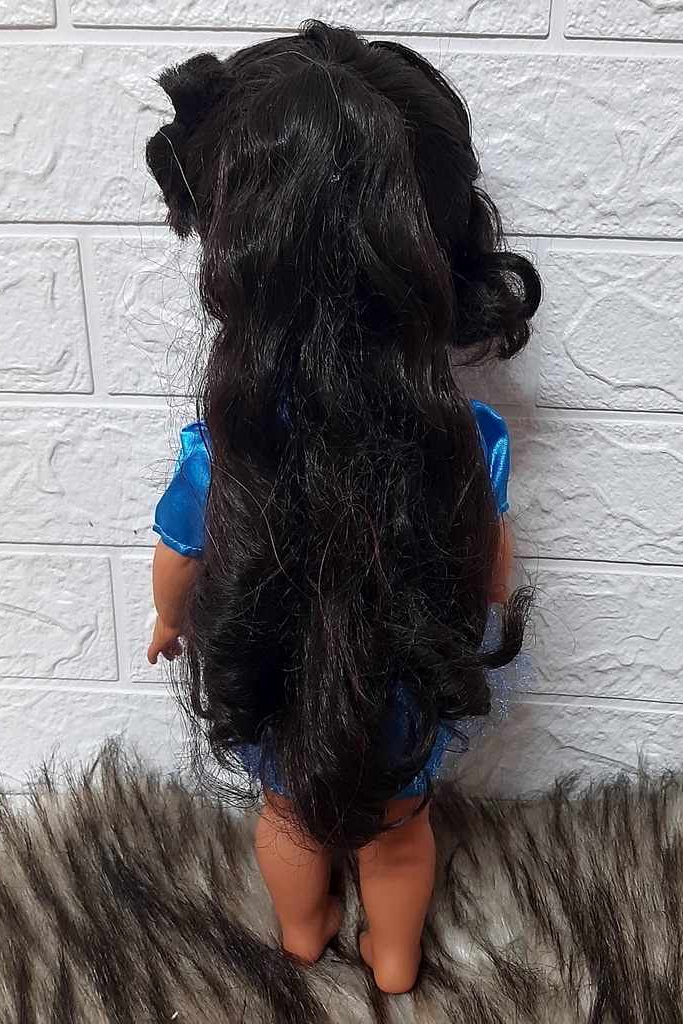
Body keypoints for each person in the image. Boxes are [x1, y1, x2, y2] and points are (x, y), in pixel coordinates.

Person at [143, 21, 540, 995]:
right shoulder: (463, 439)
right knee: (400, 823)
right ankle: (394, 958)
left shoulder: (228, 445)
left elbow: (179, 550)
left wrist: (167, 617)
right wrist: (490, 596)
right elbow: (490, 556)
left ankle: (303, 930)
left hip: (280, 667)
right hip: (398, 667)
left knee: (287, 815)